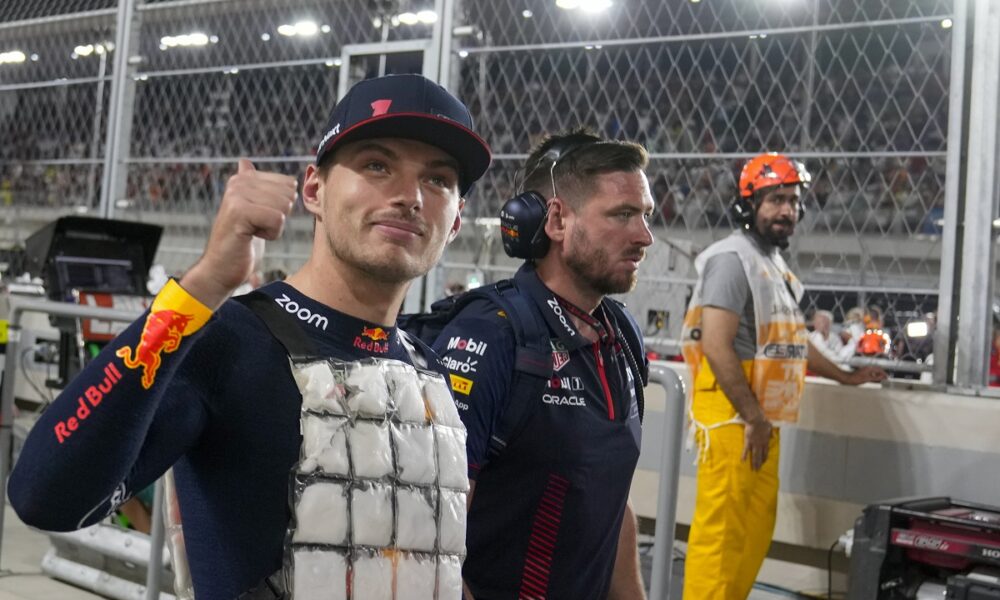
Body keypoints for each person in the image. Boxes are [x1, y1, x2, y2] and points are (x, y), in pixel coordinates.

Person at [9, 73, 491, 599]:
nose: (411, 197)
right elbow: (43, 496)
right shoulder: (229, 341)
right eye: (377, 165)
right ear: (314, 189)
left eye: (438, 179)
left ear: (456, 220)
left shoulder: (426, 372)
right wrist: (203, 285)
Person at [432, 130, 654, 599]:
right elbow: (433, 537)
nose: (644, 236)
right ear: (555, 220)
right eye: (622, 215)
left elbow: (612, 501)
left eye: (645, 215)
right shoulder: (492, 336)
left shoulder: (622, 335)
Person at [680, 152, 887, 600]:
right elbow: (716, 344)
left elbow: (793, 339)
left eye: (793, 201)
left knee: (753, 532)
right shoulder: (732, 260)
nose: (787, 210)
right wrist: (753, 417)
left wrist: (845, 376)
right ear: (749, 205)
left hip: (758, 418)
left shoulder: (771, 266)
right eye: (776, 199)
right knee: (722, 538)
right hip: (734, 417)